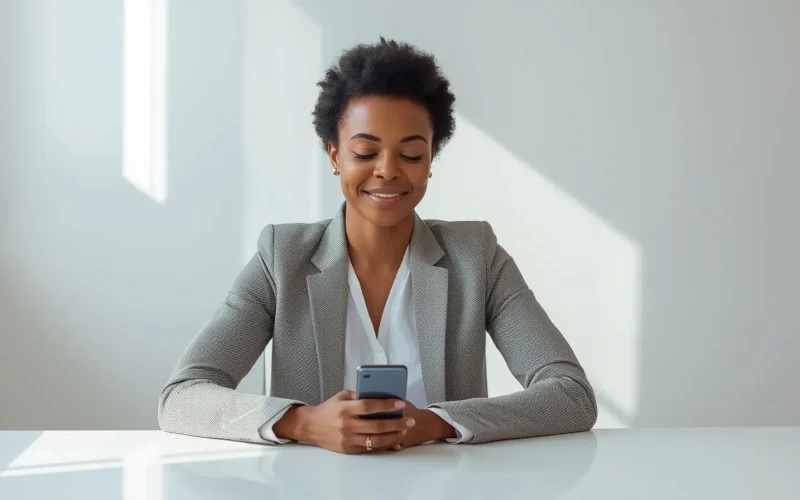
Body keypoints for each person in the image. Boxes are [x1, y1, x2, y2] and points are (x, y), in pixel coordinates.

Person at [158, 38, 597, 454]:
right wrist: (304, 422)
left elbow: (570, 394)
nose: (387, 171)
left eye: (411, 155)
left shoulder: (476, 256)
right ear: (334, 156)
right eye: (366, 152)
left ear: (430, 160)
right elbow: (181, 397)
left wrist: (436, 422)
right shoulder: (281, 257)